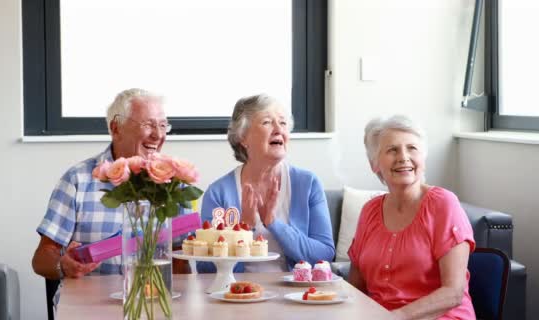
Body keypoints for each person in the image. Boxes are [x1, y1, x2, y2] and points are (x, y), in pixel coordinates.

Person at [32, 88, 173, 280]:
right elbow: (42, 259)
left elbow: (182, 260)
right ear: (116, 128)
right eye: (148, 124)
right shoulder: (78, 180)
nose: (158, 135)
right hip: (90, 305)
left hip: (153, 303)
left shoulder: (174, 184)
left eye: (163, 125)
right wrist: (63, 265)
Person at [348, 115, 476, 319]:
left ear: (423, 158)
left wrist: (397, 316)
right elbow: (356, 289)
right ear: (374, 164)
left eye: (412, 148)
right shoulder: (369, 211)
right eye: (392, 150)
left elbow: (453, 293)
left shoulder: (443, 203)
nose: (403, 157)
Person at [198, 94, 335, 273]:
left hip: (295, 293)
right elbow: (206, 268)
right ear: (243, 137)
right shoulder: (218, 193)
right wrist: (244, 228)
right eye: (267, 122)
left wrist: (274, 223)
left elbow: (324, 254)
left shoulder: (307, 183)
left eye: (283, 123)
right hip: (237, 294)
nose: (278, 129)